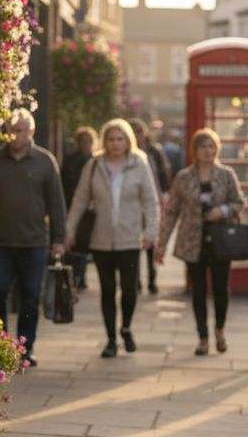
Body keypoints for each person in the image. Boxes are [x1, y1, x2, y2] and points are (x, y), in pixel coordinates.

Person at [0, 109, 67, 367]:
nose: (14, 135)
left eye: (19, 130)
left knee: (30, 296)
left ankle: (25, 347)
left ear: (31, 131)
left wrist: (59, 238)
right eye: (11, 129)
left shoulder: (45, 161)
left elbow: (57, 204)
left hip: (34, 243)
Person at [65, 118, 159, 358]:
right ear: (104, 141)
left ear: (128, 141)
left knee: (129, 290)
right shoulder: (94, 165)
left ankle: (126, 328)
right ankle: (110, 340)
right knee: (107, 290)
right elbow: (80, 199)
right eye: (111, 139)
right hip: (101, 240)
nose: (115, 144)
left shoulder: (139, 163)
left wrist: (151, 232)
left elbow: (150, 201)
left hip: (129, 239)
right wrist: (69, 229)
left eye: (120, 139)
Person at [155, 128, 247, 356]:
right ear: (194, 151)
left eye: (211, 146)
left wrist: (222, 210)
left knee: (220, 288)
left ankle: (220, 329)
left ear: (217, 149)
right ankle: (203, 337)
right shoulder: (184, 177)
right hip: (192, 240)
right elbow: (172, 211)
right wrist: (161, 244)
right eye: (203, 146)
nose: (207, 151)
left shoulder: (226, 174)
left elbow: (238, 202)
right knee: (198, 291)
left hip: (220, 239)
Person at [130, 119, 171, 295]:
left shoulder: (154, 151)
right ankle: (136, 280)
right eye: (134, 131)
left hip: (152, 200)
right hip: (132, 203)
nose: (137, 135)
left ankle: (152, 279)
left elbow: (164, 172)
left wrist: (165, 194)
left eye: (139, 131)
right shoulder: (125, 153)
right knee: (133, 243)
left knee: (151, 240)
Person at [60, 127, 98, 289]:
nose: (87, 144)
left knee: (83, 243)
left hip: (90, 209)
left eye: (89, 141)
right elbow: (64, 183)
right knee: (74, 243)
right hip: (72, 205)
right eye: (83, 141)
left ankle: (80, 277)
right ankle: (75, 276)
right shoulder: (71, 161)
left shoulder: (97, 161)